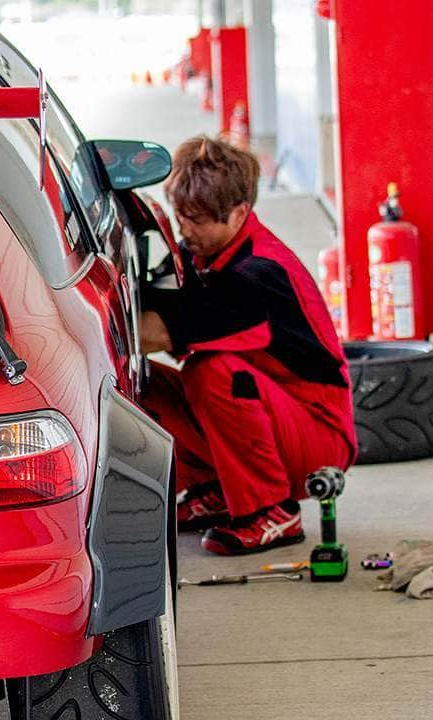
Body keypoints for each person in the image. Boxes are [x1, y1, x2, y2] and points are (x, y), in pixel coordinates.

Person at [139, 136, 356, 556]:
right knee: (148, 381)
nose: (185, 231)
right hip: (273, 414)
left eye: (197, 219)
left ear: (239, 213)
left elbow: (153, 333)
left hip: (317, 434)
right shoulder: (205, 251)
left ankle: (272, 509)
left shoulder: (257, 276)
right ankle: (217, 488)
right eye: (181, 216)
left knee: (213, 372)